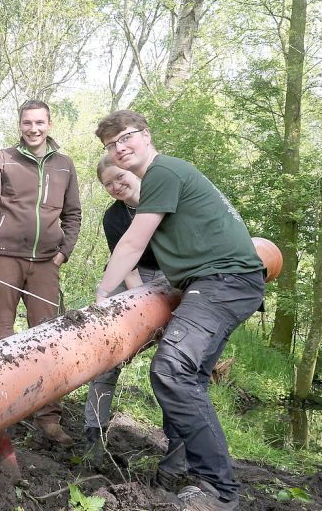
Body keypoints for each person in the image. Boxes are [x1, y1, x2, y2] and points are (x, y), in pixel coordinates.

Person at [94, 110, 265, 511]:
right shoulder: (162, 176)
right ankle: (190, 470)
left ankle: (219, 491)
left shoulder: (162, 172)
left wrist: (104, 293)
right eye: (111, 145)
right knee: (189, 377)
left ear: (146, 135)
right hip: (215, 283)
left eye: (126, 138)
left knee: (171, 369)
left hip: (223, 282)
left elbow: (134, 245)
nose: (120, 149)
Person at [0, 100, 81, 446]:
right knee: (1, 334)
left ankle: (48, 418)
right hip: (2, 258)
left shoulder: (64, 166)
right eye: (27, 123)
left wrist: (63, 254)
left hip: (46, 263)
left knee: (48, 339)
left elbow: (73, 215)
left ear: (49, 124)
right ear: (19, 125)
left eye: (40, 122)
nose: (33, 129)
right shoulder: (2, 159)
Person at [82, 155, 183, 470]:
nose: (115, 186)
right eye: (107, 183)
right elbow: (127, 263)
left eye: (119, 176)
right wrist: (139, 306)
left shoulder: (164, 197)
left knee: (174, 362)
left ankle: (179, 449)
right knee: (105, 357)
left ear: (134, 171)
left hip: (174, 277)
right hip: (131, 277)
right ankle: (93, 439)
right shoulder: (113, 218)